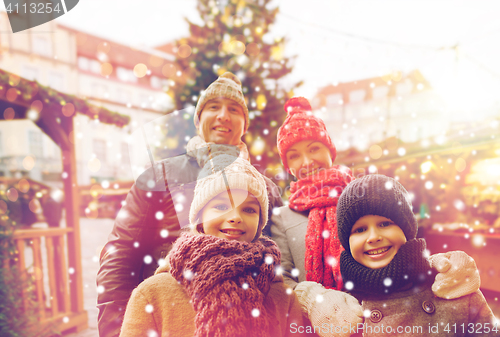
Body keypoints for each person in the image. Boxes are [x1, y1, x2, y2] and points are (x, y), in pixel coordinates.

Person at [270, 97, 482, 336]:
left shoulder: (362, 197)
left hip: (386, 314)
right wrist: (313, 299)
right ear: (287, 165)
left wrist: (442, 268)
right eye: (295, 155)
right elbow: (281, 280)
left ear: (330, 150)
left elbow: (403, 245)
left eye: (314, 149)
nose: (307, 161)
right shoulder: (282, 216)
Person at [97, 72, 283, 337]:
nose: (223, 115)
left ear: (245, 125)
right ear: (198, 120)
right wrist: (118, 329)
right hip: (167, 319)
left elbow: (280, 262)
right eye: (213, 107)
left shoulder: (265, 189)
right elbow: (120, 253)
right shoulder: (159, 176)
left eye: (234, 109)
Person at [119, 154, 305, 337]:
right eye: (222, 207)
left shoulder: (283, 297)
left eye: (248, 209)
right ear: (200, 218)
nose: (236, 217)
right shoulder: (153, 294)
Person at [335, 174, 498, 336]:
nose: (373, 237)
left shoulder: (453, 287)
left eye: (385, 224)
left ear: (407, 229)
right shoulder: (341, 310)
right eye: (360, 230)